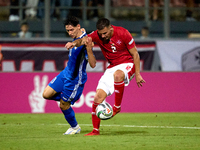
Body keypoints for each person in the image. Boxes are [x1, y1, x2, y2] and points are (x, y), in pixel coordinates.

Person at [65, 18, 145, 136]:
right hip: (112, 66)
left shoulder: (123, 33)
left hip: (128, 64)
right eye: (100, 33)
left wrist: (137, 74)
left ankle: (117, 107)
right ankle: (95, 131)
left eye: (105, 33)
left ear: (111, 28)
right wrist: (73, 43)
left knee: (118, 75)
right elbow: (84, 40)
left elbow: (135, 54)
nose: (102, 36)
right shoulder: (97, 35)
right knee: (97, 97)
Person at [42, 16, 96, 135]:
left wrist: (89, 49)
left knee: (63, 105)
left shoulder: (86, 41)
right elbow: (77, 40)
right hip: (66, 73)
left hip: (75, 79)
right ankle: (66, 100)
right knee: (46, 94)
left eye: (72, 30)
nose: (70, 33)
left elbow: (93, 64)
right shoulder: (76, 39)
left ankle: (75, 127)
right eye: (68, 31)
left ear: (78, 27)